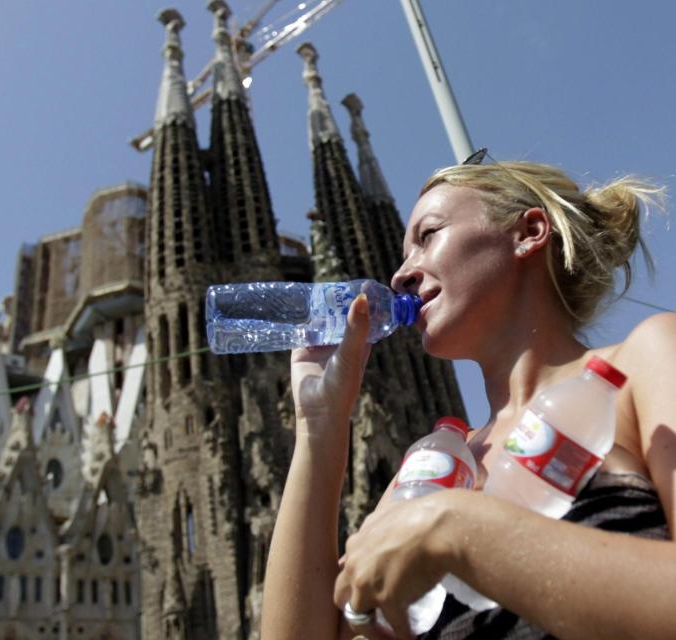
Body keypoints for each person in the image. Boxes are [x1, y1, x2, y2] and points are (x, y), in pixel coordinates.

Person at [259, 159, 674, 640]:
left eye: (428, 235)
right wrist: (320, 423)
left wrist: (459, 531)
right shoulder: (435, 467)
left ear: (529, 232)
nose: (399, 276)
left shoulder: (643, 362)